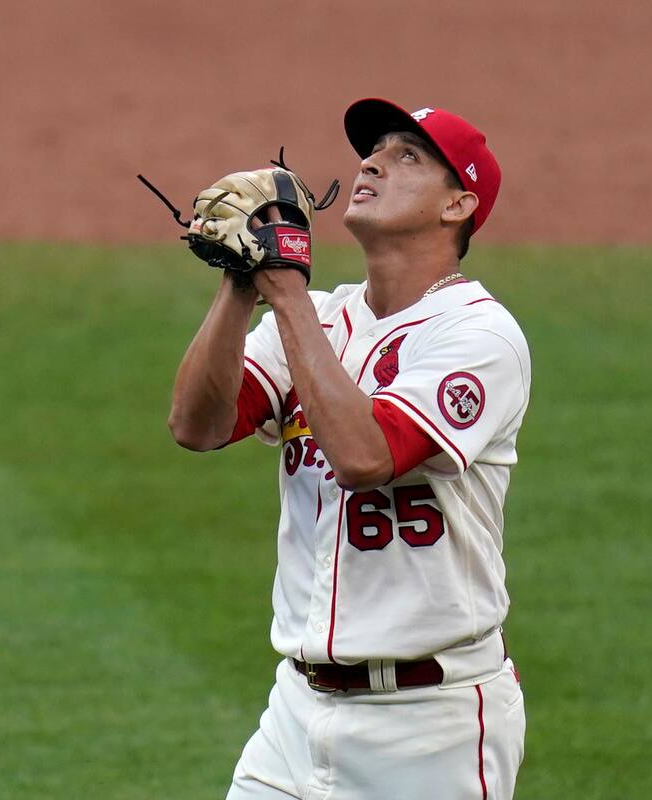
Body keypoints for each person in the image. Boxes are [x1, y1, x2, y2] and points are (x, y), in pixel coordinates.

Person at [168, 98, 531, 800]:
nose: (372, 163)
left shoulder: (479, 337)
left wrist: (287, 291)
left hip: (431, 729)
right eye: (373, 151)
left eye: (407, 157)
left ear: (459, 204)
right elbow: (198, 424)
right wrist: (241, 287)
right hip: (296, 715)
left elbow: (365, 458)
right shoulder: (322, 315)